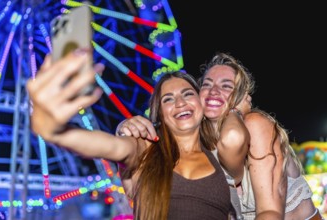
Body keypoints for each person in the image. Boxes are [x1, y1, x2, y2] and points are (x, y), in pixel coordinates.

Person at [26, 49, 251, 219]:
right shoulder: (145, 149)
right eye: (168, 99)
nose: (180, 103)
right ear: (160, 114)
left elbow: (235, 136)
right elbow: (110, 146)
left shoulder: (219, 154)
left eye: (187, 94)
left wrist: (235, 108)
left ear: (201, 105)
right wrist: (55, 131)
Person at [116, 52, 322, 220]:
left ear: (241, 96)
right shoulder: (196, 144)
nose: (214, 91)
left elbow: (270, 213)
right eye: (207, 84)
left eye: (226, 86)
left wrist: (235, 113)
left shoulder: (255, 125)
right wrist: (124, 128)